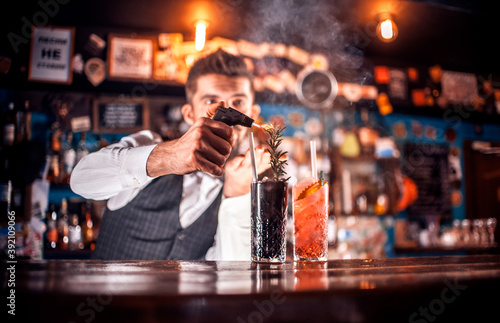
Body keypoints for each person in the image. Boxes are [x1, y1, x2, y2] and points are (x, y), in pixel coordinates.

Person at [70, 49, 270, 260]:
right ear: (189, 114)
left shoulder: (248, 190)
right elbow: (81, 179)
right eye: (212, 101)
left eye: (238, 103)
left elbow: (232, 279)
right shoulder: (146, 143)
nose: (229, 116)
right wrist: (169, 156)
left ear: (253, 114)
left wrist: (235, 195)